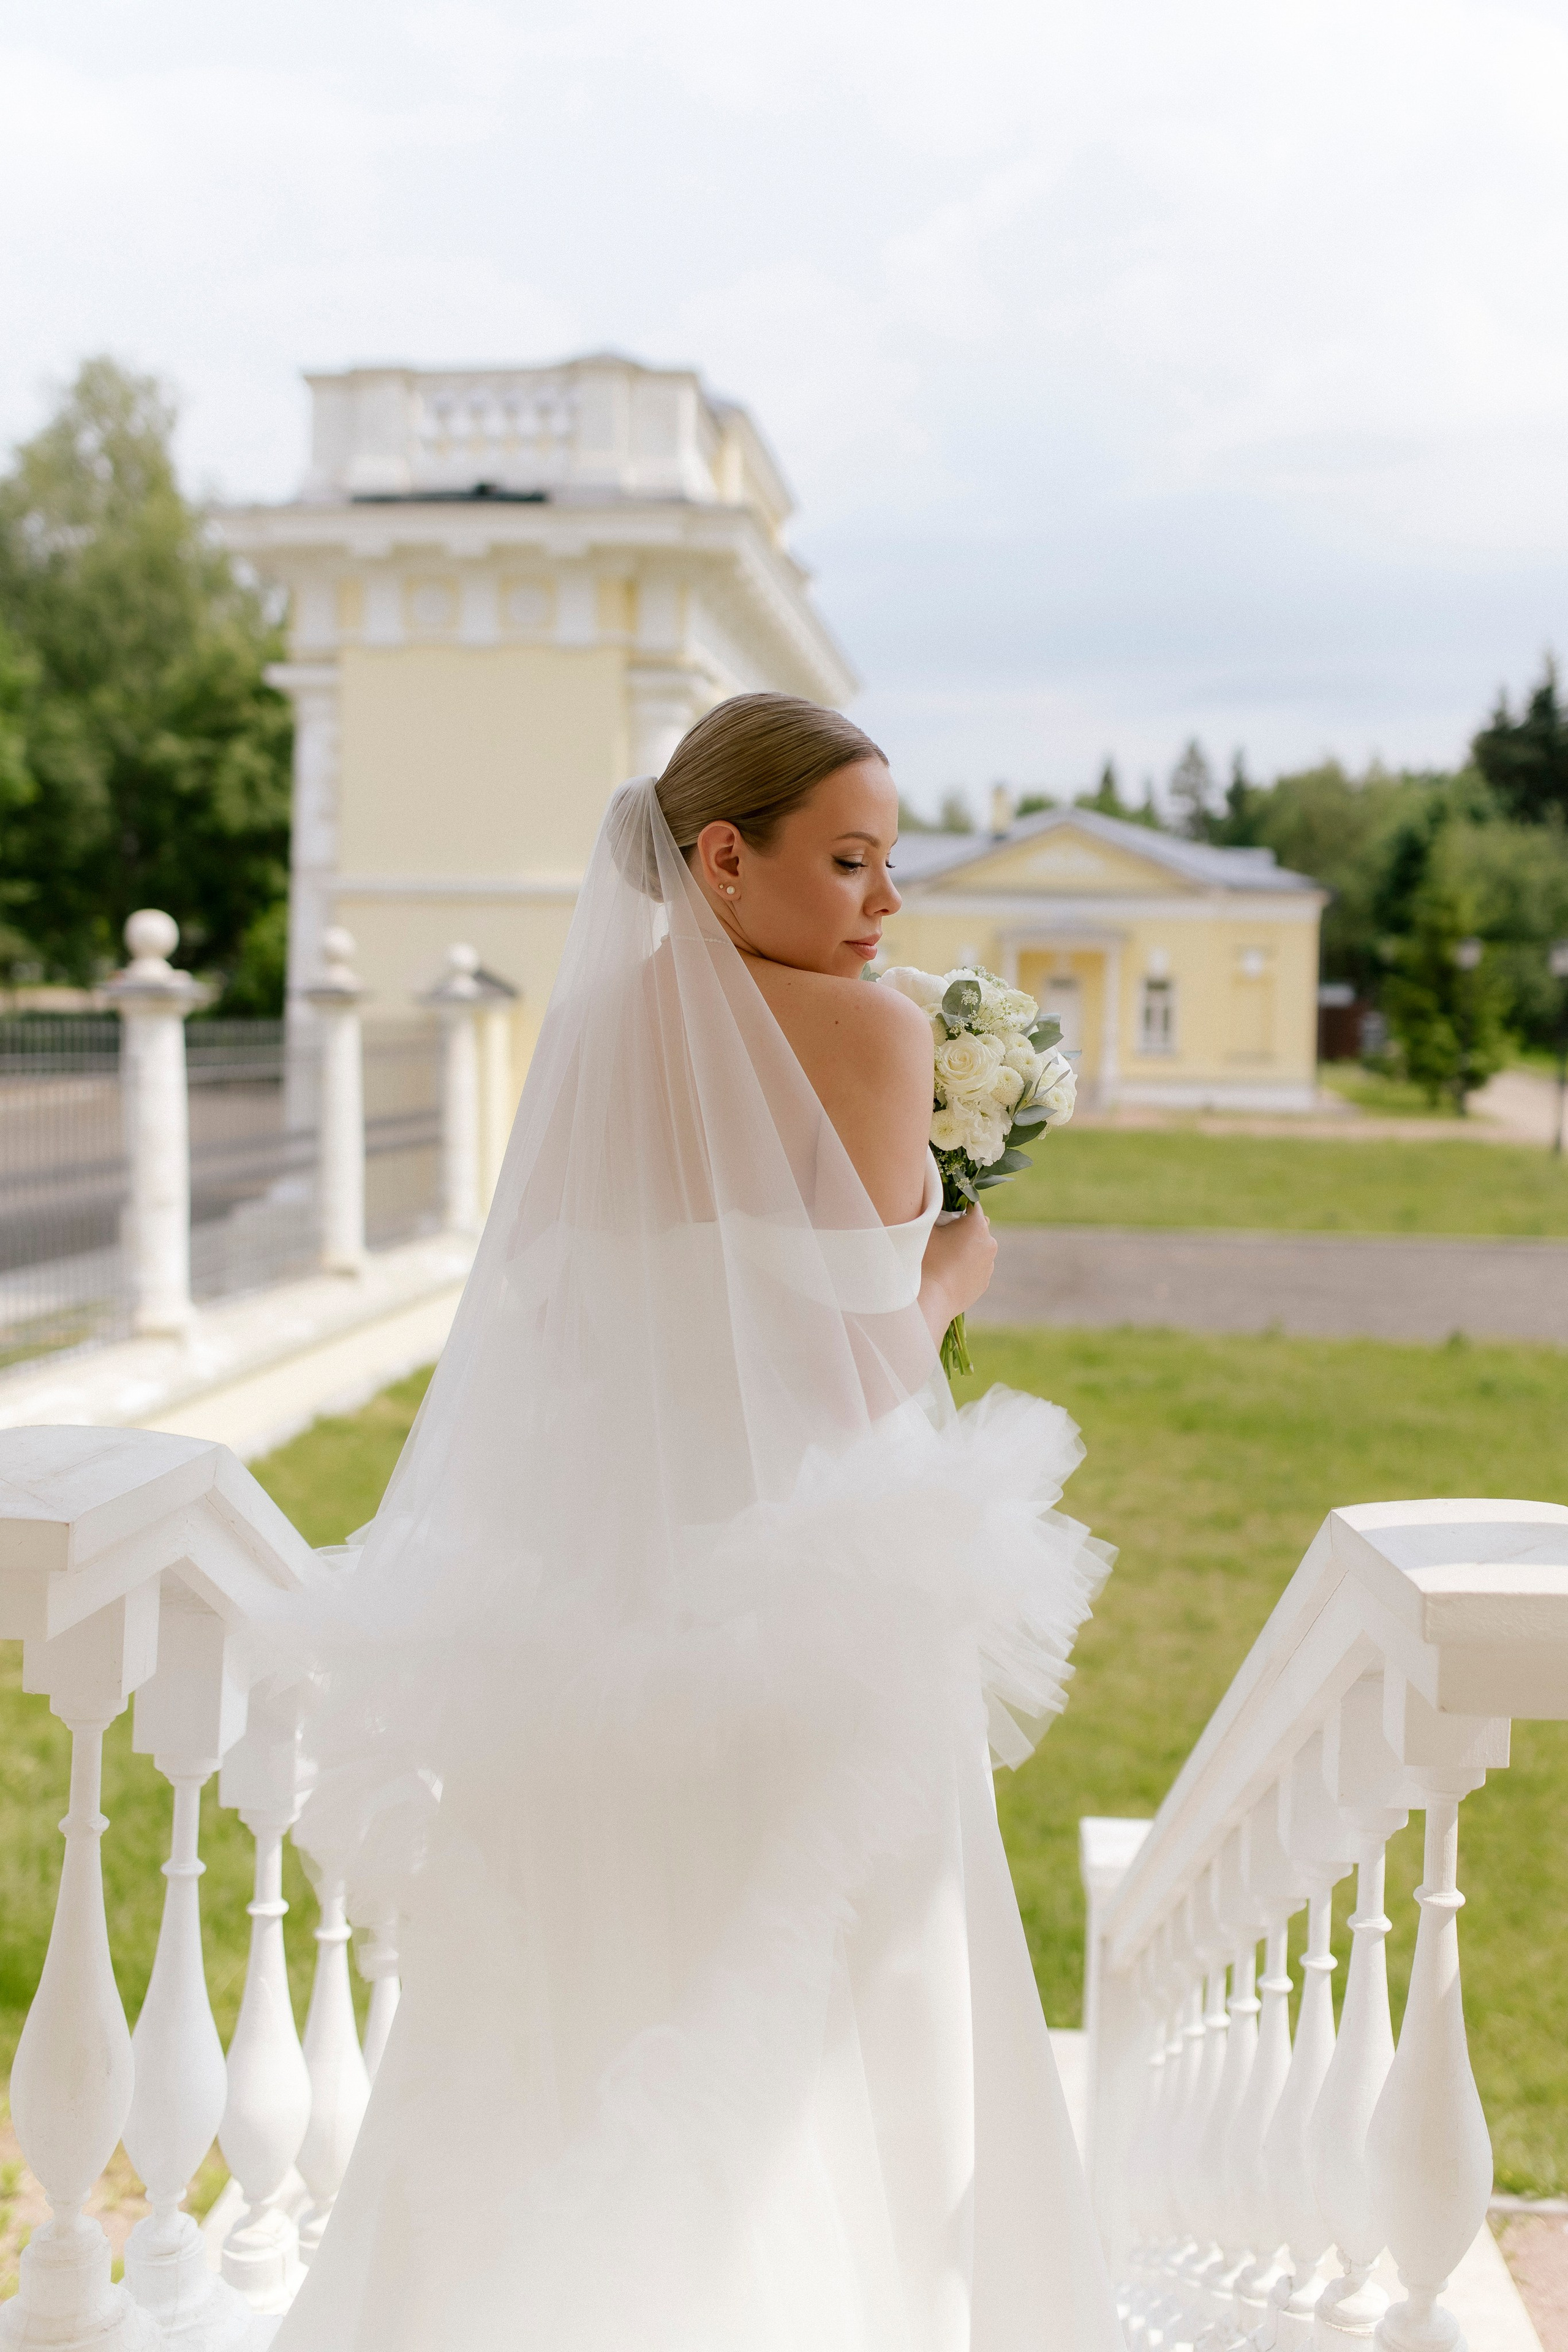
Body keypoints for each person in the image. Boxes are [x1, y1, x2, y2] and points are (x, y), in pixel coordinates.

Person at [272, 693, 1122, 2352]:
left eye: (892, 869)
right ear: (724, 860)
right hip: (812, 1600)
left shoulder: (595, 1034)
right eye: (854, 863)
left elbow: (572, 1329)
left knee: (586, 1965)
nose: (886, 911)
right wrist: (960, 1264)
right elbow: (865, 1364)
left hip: (595, 1594)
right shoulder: (873, 1042)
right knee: (835, 1986)